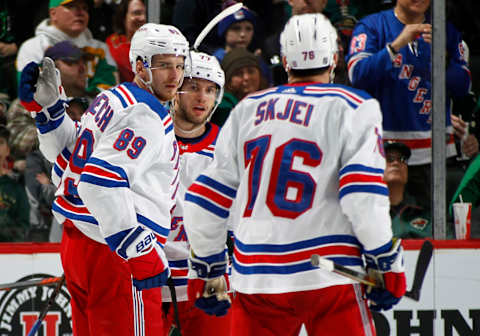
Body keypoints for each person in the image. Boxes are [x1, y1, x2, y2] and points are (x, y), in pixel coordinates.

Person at [183, 13, 406, 335]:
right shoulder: (354, 105)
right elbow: (362, 194)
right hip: (329, 272)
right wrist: (385, 258)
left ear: (285, 61)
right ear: (335, 58)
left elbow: (207, 196)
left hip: (256, 274)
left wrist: (207, 268)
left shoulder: (248, 108)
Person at [18, 23, 189, 335]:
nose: (174, 75)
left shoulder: (113, 97)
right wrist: (137, 247)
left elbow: (68, 156)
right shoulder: (147, 115)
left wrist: (50, 112)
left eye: (179, 65)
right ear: (140, 66)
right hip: (113, 253)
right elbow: (99, 181)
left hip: (79, 245)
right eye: (163, 65)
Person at [346, 0, 471, 209]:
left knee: (432, 233)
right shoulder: (371, 26)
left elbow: (463, 86)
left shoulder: (445, 30)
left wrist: (442, 58)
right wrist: (395, 46)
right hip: (382, 153)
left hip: (434, 154)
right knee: (382, 229)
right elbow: (357, 75)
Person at [162, 50, 231, 336]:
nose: (202, 97)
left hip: (207, 278)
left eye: (210, 89)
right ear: (175, 87)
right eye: (193, 86)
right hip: (151, 277)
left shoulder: (228, 148)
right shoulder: (149, 136)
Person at [16, 0, 118, 97]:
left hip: (91, 112)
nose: (80, 12)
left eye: (84, 8)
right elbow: (29, 90)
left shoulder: (100, 49)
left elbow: (110, 92)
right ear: (53, 13)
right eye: (72, 7)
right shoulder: (33, 47)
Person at [384, 141, 432, 239]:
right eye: (389, 159)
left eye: (402, 159)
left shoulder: (426, 212)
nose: (396, 163)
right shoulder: (369, 211)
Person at [211, 48, 269, 127]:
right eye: (238, 74)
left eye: (251, 71)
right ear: (227, 80)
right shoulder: (222, 108)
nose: (246, 77)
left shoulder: (270, 100)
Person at [0, 126, 30, 242]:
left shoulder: (17, 189)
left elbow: (24, 228)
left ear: (7, 150)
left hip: (9, 255)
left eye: (0, 142)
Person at [106, 0, 146, 83]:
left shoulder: (151, 44)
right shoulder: (112, 42)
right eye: (137, 13)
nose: (143, 18)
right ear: (123, 18)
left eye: (144, 13)